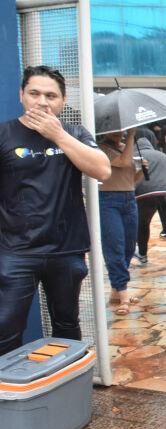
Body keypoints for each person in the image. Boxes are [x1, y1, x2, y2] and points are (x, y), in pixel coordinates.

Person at [0, 65, 111, 356]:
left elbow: (102, 170)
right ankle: (8, 395)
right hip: (16, 251)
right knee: (6, 327)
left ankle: (66, 390)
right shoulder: (5, 134)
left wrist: (58, 136)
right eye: (34, 93)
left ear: (62, 101)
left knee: (66, 325)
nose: (42, 101)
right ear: (21, 95)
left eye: (51, 95)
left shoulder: (74, 133)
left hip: (66, 248)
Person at [97, 128, 144, 315]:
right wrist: (132, 135)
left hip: (129, 198)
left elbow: (132, 179)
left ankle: (117, 290)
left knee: (129, 247)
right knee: (114, 245)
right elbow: (124, 163)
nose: (118, 133)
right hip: (108, 200)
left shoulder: (126, 147)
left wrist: (142, 170)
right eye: (114, 129)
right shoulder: (100, 149)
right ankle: (123, 293)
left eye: (122, 129)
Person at [133, 137, 166, 277]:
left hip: (143, 194)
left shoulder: (135, 156)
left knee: (143, 225)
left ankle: (143, 254)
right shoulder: (162, 155)